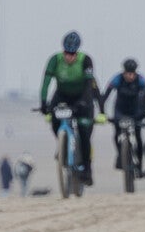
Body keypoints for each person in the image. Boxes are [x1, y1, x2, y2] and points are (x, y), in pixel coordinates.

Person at [39, 31, 104, 184]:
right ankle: (62, 145)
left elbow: (89, 85)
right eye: (67, 53)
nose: (69, 57)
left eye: (72, 54)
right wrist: (43, 103)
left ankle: (87, 168)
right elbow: (46, 82)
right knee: (54, 121)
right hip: (62, 95)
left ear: (77, 52)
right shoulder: (55, 60)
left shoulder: (85, 60)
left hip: (82, 96)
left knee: (84, 132)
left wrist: (84, 103)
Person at [101, 58, 145, 177]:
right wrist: (102, 112)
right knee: (117, 134)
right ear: (123, 72)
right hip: (120, 110)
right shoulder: (117, 79)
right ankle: (120, 155)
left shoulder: (141, 80)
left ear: (135, 72)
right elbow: (106, 95)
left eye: (132, 73)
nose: (130, 76)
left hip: (136, 111)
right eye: (127, 73)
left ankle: (139, 165)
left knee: (138, 137)